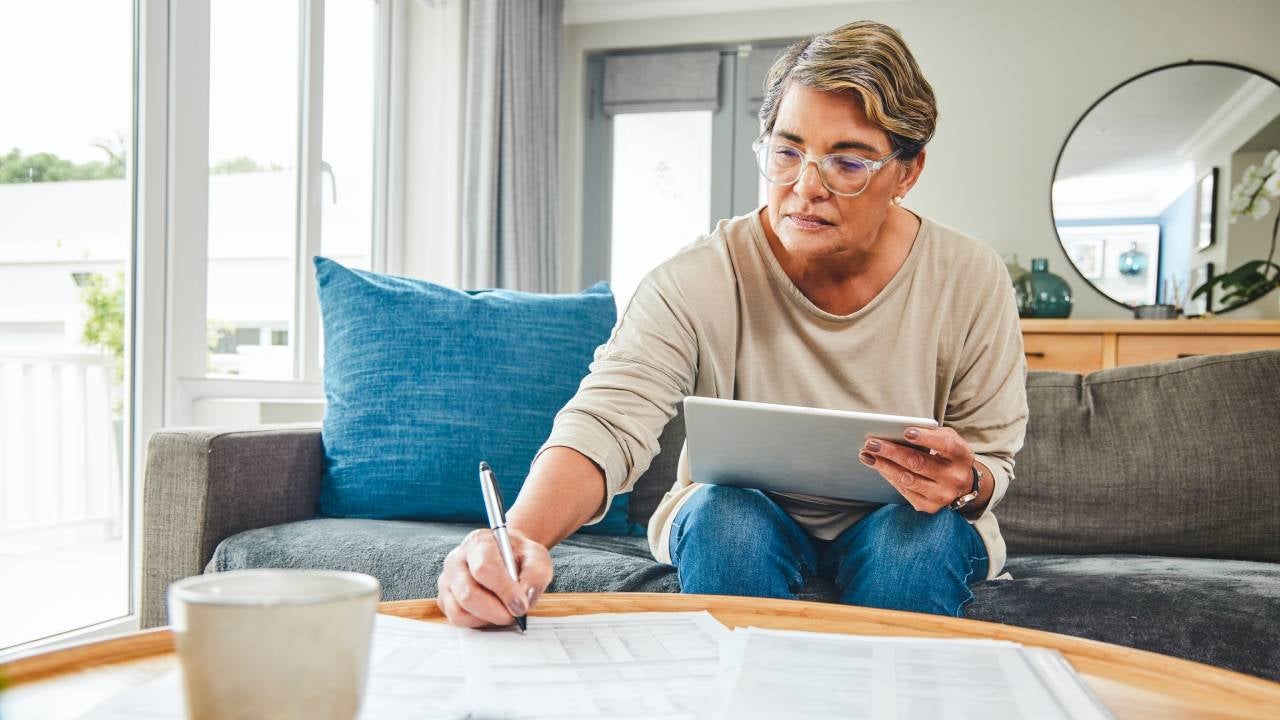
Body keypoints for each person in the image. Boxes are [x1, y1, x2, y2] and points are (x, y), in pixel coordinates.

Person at [436, 20, 1028, 628]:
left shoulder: (969, 277)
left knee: (917, 538)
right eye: (787, 152)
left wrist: (967, 482)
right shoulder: (697, 276)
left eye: (847, 162)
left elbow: (990, 461)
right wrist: (518, 542)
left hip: (905, 520)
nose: (806, 188)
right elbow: (608, 421)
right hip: (739, 516)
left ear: (907, 172)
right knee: (725, 517)